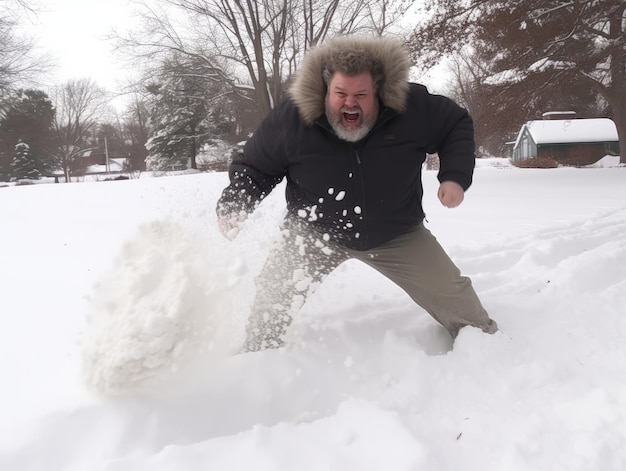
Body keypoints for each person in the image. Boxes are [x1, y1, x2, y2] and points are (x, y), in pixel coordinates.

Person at [216, 35, 498, 352]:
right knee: (273, 293)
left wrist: (455, 177)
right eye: (341, 94)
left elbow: (455, 124)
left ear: (378, 91)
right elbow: (256, 165)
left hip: (396, 232)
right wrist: (235, 203)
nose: (350, 103)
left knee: (461, 307)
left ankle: (485, 351)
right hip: (313, 231)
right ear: (325, 90)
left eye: (361, 95)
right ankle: (257, 355)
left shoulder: (411, 106)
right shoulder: (293, 119)